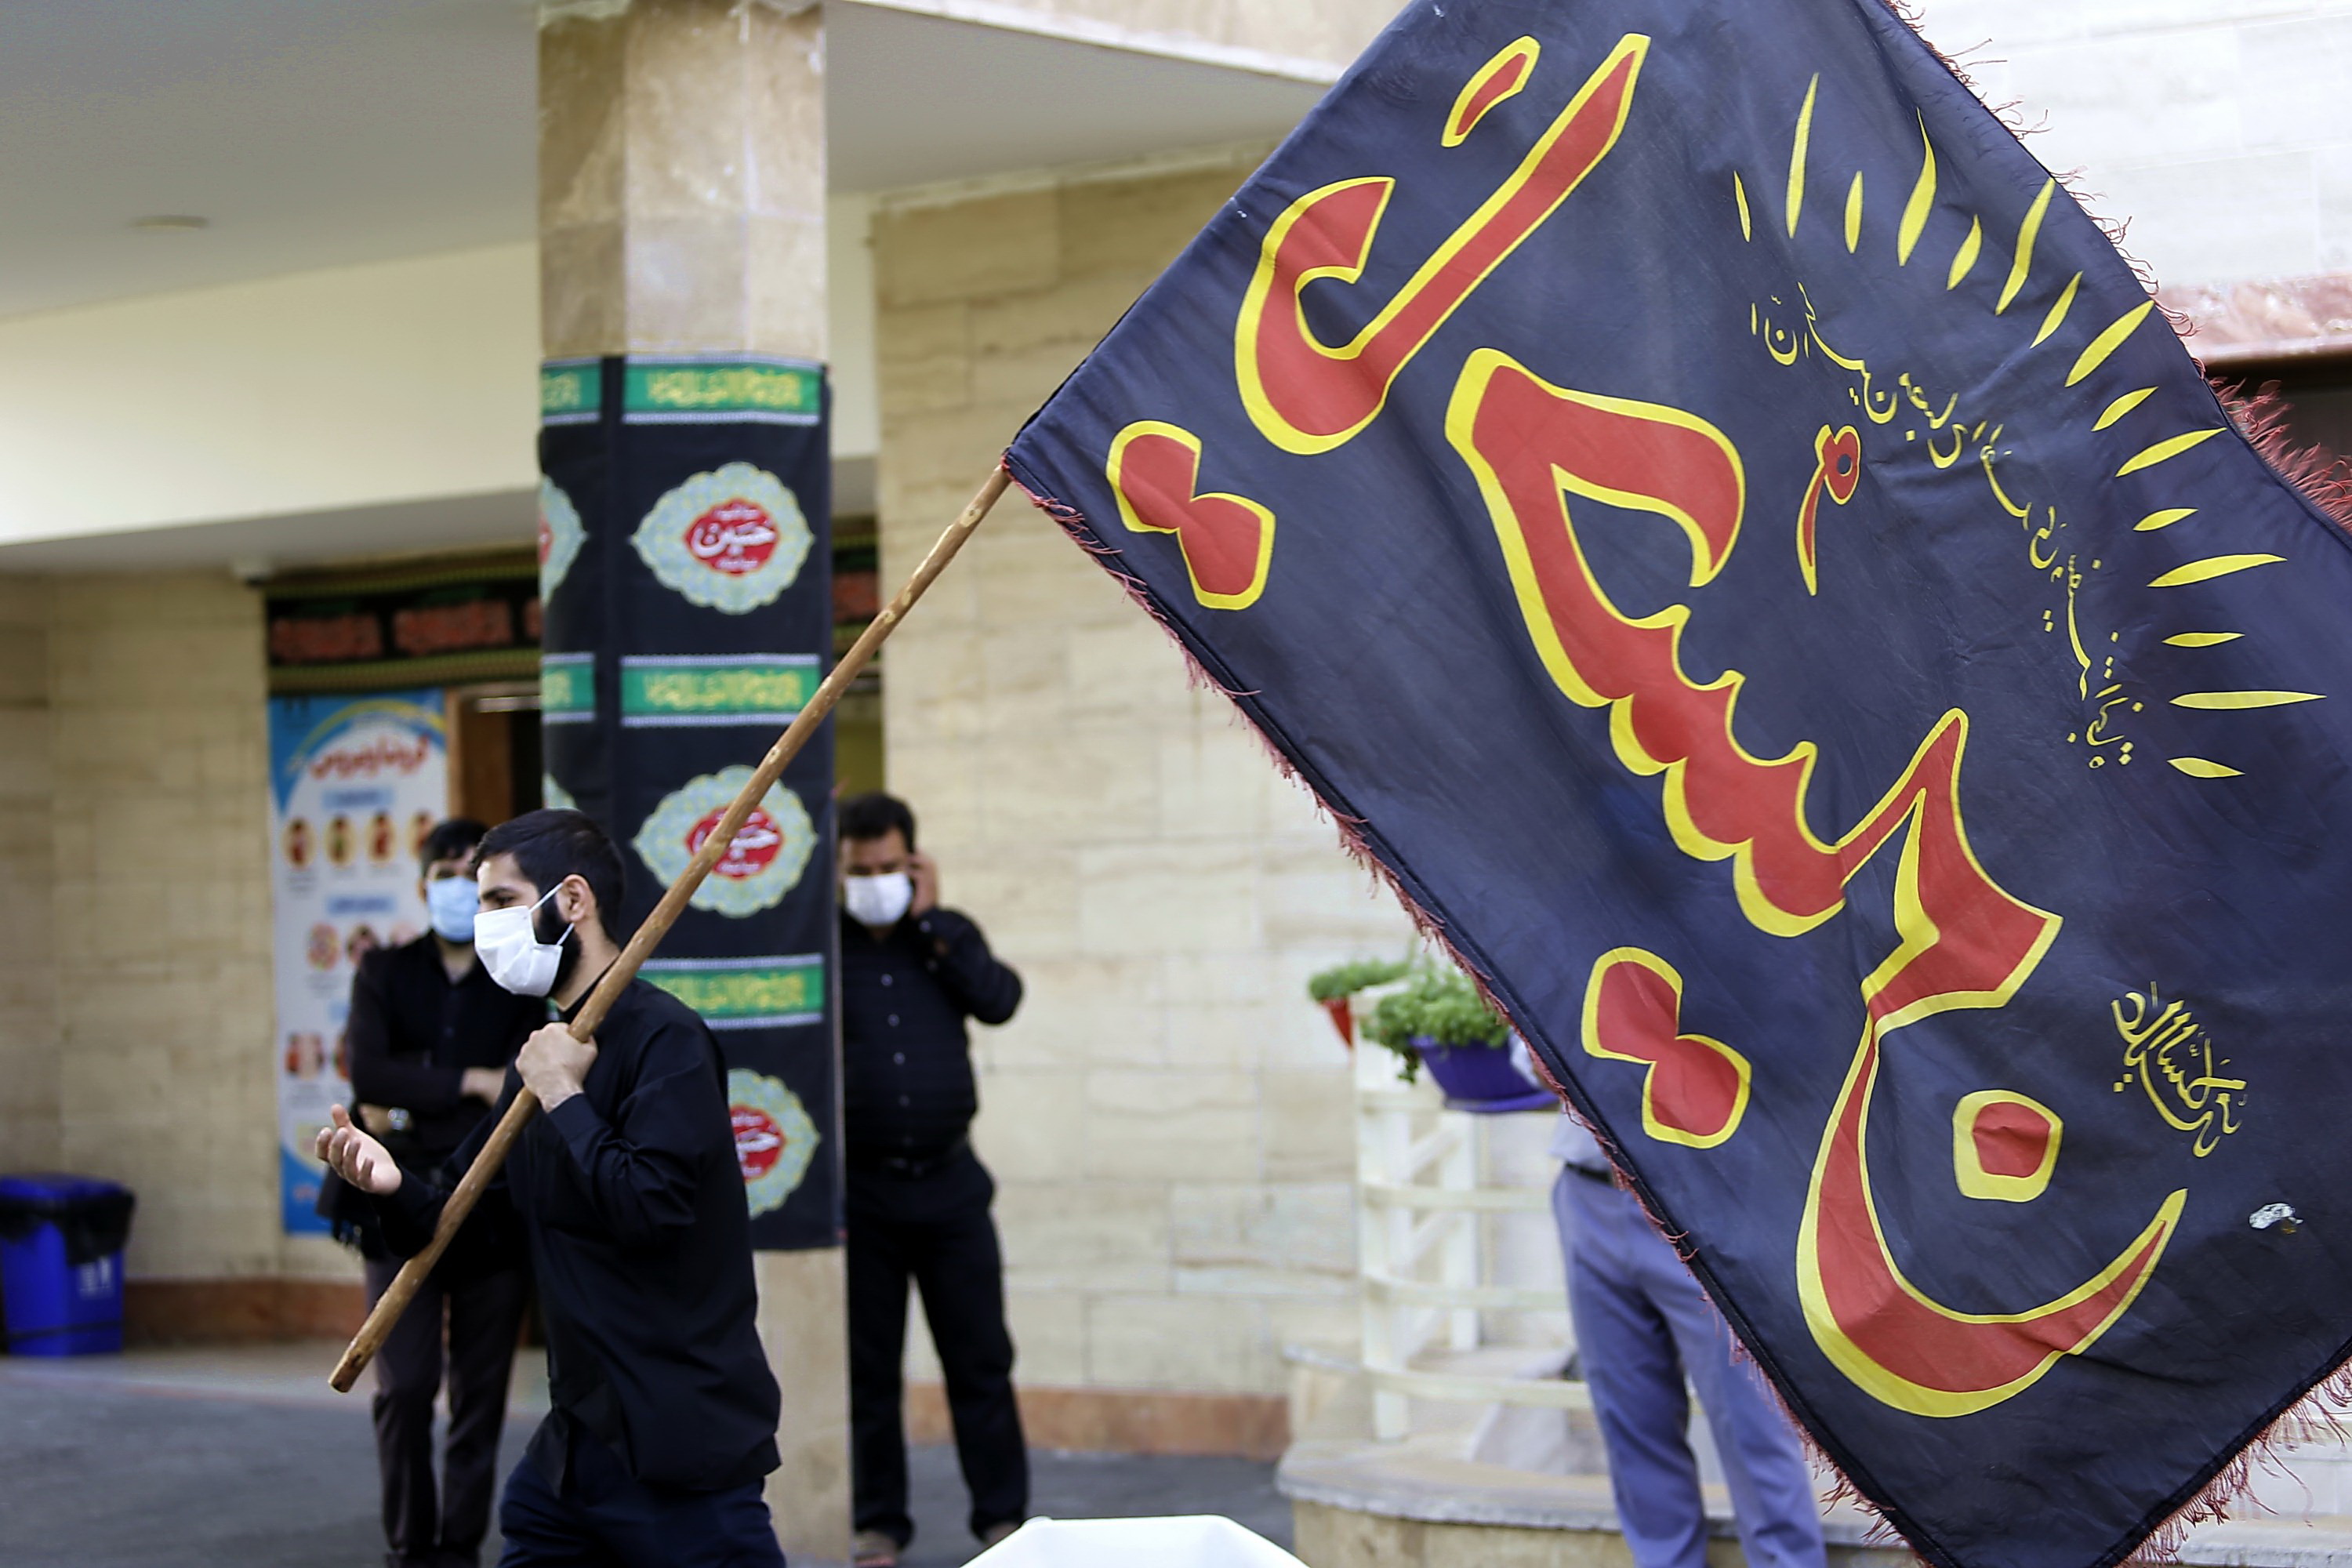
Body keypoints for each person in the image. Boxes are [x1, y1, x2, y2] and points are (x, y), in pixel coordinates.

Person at [317, 808, 786, 1568]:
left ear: (573, 900)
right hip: (577, 1444)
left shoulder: (665, 1041)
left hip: (678, 1440)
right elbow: (459, 1219)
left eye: (500, 900)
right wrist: (393, 1185)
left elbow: (650, 1207)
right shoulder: (540, 1055)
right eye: (478, 903)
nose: (483, 922)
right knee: (530, 1522)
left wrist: (568, 1099)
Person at [328, 815, 542, 1568]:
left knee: (480, 1394)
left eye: (472, 877)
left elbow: (520, 1084)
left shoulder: (518, 979)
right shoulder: (384, 971)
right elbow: (370, 1078)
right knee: (406, 1386)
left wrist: (414, 1099)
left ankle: (458, 1546)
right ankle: (408, 1546)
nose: (459, 889)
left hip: (494, 1208)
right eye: (445, 875)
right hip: (397, 1202)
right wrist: (465, 1084)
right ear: (425, 886)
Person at [837, 792, 1026, 1568]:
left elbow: (1001, 999)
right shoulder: (824, 944)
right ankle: (878, 1524)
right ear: (840, 869)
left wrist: (933, 918)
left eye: (888, 866)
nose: (875, 879)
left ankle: (1003, 1520)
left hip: (952, 1188)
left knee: (981, 1358)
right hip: (865, 1195)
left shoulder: (945, 937)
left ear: (913, 861)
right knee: (869, 1371)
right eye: (861, 870)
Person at [1552, 1116, 1828, 1568]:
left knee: (1751, 1422)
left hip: (1701, 1196)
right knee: (1631, 1421)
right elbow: (1527, 1062)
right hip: (1591, 1193)